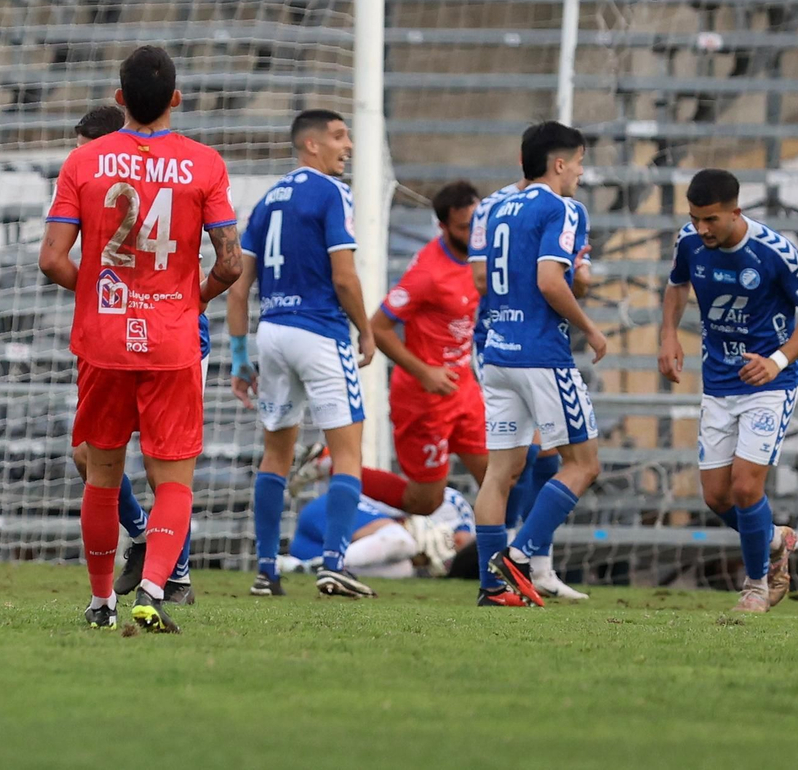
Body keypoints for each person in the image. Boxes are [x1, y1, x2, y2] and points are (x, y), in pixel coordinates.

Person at [39, 46, 241, 633]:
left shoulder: (85, 162)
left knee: (101, 474)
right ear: (176, 99)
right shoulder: (205, 164)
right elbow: (230, 264)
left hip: (104, 338)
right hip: (172, 339)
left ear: (119, 98)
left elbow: (52, 259)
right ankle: (154, 588)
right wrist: (191, 297)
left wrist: (99, 298)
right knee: (173, 476)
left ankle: (102, 604)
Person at [658, 168, 798, 612]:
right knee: (716, 496)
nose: (702, 229)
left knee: (746, 487)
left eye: (711, 219)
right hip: (718, 382)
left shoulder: (774, 252)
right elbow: (677, 284)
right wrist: (669, 335)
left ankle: (756, 586)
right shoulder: (689, 241)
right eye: (695, 218)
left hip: (768, 385)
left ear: (737, 211)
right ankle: (774, 539)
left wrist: (777, 361)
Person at [228, 109, 378, 599]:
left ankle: (267, 569)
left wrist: (237, 357)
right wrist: (366, 329)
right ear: (311, 145)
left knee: (276, 453)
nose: (348, 146)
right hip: (320, 332)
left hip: (271, 333)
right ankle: (334, 563)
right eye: (339, 136)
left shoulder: (267, 200)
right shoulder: (332, 192)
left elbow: (236, 288)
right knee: (348, 453)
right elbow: (344, 275)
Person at [469, 121, 606, 608]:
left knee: (499, 473)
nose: (582, 174)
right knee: (583, 464)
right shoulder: (563, 208)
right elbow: (551, 280)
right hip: (542, 354)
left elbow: (482, 277)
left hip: (497, 351)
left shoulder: (498, 207)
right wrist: (589, 326)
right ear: (560, 163)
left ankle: (492, 587)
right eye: (580, 162)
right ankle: (521, 556)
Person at [66, 105, 196, 606]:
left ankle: (172, 577)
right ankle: (145, 542)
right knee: (89, 455)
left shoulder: (109, 175)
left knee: (163, 466)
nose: (76, 158)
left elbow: (54, 257)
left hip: (174, 335)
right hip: (122, 329)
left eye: (82, 149)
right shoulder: (118, 180)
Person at [369, 181, 489, 505]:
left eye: (479, 223)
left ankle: (504, 552)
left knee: (498, 477)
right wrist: (425, 373)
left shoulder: (482, 255)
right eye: (465, 227)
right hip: (425, 398)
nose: (476, 233)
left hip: (463, 387)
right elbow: (377, 327)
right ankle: (333, 464)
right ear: (443, 227)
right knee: (425, 501)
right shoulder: (429, 274)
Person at [285, 487, 473, 579]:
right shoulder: (450, 503)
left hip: (310, 550)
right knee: (403, 541)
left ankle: (305, 567)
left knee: (404, 569)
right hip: (330, 510)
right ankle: (329, 565)